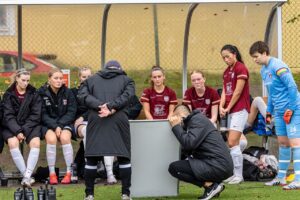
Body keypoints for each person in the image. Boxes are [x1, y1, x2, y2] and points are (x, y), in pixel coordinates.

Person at [78, 60, 135, 200]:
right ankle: (126, 194)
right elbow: (127, 97)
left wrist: (100, 106)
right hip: (119, 120)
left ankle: (89, 195)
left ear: (105, 68)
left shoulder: (90, 80)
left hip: (96, 119)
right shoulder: (127, 80)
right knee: (124, 157)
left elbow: (82, 96)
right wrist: (110, 107)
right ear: (120, 68)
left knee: (91, 158)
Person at [249, 41, 300, 189]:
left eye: (256, 56)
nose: (254, 59)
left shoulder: (278, 66)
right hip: (278, 112)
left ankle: (298, 179)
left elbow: (292, 87)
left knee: (296, 144)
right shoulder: (263, 70)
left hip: (293, 109)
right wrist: (269, 111)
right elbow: (272, 92)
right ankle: (281, 178)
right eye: (252, 57)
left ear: (265, 53)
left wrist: (290, 108)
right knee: (283, 143)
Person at [168, 104, 233, 200]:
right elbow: (188, 149)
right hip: (218, 164)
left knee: (174, 168)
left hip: (218, 165)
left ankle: (210, 186)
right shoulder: (197, 121)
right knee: (178, 165)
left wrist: (176, 127)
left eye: (175, 117)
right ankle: (215, 185)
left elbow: (189, 144)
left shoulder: (197, 120)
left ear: (180, 116)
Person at [72, 66, 117, 184]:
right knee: (88, 131)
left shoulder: (98, 91)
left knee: (107, 136)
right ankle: (90, 169)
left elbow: (99, 108)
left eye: (89, 76)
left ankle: (110, 173)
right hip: (81, 124)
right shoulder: (73, 92)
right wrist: (81, 117)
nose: (87, 79)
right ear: (79, 77)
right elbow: (72, 111)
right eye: (84, 76)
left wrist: (85, 115)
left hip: (97, 120)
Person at [2, 69, 41, 187]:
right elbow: (8, 116)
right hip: (11, 126)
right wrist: (17, 131)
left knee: (36, 143)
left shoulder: (34, 93)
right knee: (13, 143)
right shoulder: (8, 94)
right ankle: (27, 176)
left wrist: (23, 130)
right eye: (23, 80)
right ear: (17, 79)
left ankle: (26, 176)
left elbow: (36, 115)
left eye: (28, 80)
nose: (26, 83)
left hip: (30, 126)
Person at [38, 68, 77, 185]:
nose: (59, 81)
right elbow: (42, 114)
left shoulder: (68, 92)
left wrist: (60, 126)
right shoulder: (41, 92)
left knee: (65, 138)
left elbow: (71, 111)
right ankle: (52, 174)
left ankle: (70, 173)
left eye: (61, 78)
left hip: (64, 124)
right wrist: (55, 127)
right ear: (49, 79)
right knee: (51, 139)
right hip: (48, 124)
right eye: (56, 78)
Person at [219, 44, 250, 184]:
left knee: (232, 141)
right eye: (223, 57)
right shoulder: (226, 71)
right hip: (230, 110)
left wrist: (228, 107)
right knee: (233, 143)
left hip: (240, 108)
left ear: (234, 54)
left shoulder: (240, 68)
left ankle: (239, 175)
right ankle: (234, 174)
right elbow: (225, 91)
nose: (226, 59)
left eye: (227, 56)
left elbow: (237, 92)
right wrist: (221, 105)